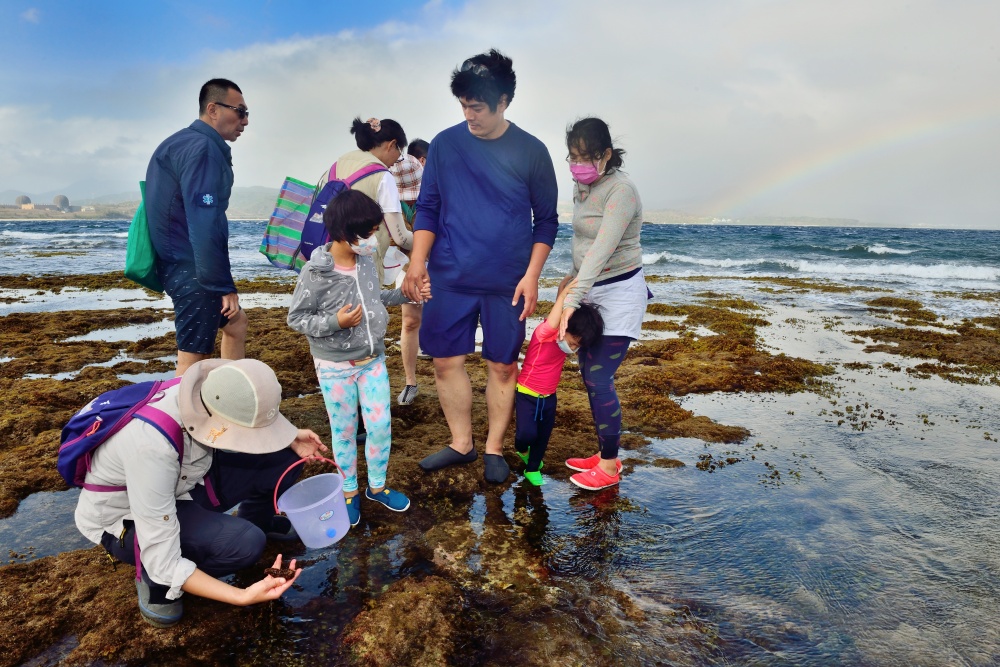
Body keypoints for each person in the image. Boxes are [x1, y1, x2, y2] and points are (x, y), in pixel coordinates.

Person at [400, 49, 559, 484]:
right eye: (464, 106)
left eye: (478, 107)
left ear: (504, 101)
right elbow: (428, 208)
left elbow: (546, 220)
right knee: (446, 361)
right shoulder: (447, 145)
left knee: (504, 365)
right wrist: (417, 263)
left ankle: (492, 448)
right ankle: (461, 443)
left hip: (507, 280)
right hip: (450, 276)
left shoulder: (531, 151)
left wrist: (532, 276)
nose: (470, 115)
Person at [73, 358, 328, 628]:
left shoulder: (208, 388)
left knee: (287, 456)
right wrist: (240, 596)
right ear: (218, 422)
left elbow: (248, 397)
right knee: (245, 544)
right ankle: (154, 580)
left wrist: (288, 435)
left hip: (186, 481)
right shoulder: (151, 447)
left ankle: (257, 520)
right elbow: (164, 556)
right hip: (129, 516)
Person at [287, 190, 429, 527]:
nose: (373, 240)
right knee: (345, 430)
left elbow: (374, 298)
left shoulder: (366, 262)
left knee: (380, 425)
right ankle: (349, 490)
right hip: (334, 367)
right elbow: (297, 319)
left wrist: (407, 293)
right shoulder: (315, 273)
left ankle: (376, 487)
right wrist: (336, 322)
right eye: (367, 233)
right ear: (344, 233)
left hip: (372, 360)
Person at [558, 118, 646, 491]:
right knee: (590, 375)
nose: (578, 164)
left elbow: (601, 248)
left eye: (586, 156)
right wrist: (568, 279)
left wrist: (570, 299)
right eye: (572, 156)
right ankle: (605, 452)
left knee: (598, 378)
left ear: (606, 155)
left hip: (620, 293)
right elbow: (581, 243)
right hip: (591, 289)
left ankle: (609, 467)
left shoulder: (621, 191)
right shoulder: (583, 185)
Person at [146, 78, 250, 377]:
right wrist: (221, 285)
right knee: (194, 362)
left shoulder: (182, 141)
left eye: (247, 114)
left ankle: (230, 400)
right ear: (213, 109)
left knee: (236, 323)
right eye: (240, 111)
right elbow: (204, 220)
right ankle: (179, 423)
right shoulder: (203, 148)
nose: (244, 120)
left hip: (179, 263)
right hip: (192, 269)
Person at [514, 279, 603, 485]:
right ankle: (521, 450)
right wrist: (567, 291)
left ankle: (533, 467)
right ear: (564, 325)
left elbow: (563, 309)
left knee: (543, 436)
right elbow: (559, 310)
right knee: (525, 434)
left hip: (549, 397)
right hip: (526, 393)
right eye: (572, 343)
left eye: (576, 347)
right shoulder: (544, 335)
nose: (572, 349)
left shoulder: (566, 340)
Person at [319, 117, 414, 288]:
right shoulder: (382, 176)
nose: (394, 163)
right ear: (391, 144)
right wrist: (424, 243)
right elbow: (401, 238)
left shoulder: (334, 166)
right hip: (362, 267)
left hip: (327, 261)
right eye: (399, 156)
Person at [389, 146, 425, 406]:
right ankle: (410, 382)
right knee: (410, 322)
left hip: (440, 266)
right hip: (405, 268)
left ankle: (448, 374)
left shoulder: (434, 198)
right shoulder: (389, 204)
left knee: (444, 321)